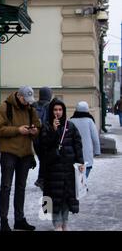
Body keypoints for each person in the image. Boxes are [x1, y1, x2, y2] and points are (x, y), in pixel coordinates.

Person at [0, 86, 41, 231]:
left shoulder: (30, 109)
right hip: (9, 153)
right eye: (25, 100)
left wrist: (34, 131)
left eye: (29, 101)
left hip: (25, 154)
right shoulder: (4, 107)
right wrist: (18, 130)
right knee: (6, 187)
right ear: (19, 97)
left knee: (21, 188)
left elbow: (38, 127)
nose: (27, 103)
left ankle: (19, 219)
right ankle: (4, 221)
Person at [40, 98, 85, 231]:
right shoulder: (46, 126)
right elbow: (44, 146)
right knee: (54, 199)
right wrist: (53, 131)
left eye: (60, 110)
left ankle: (65, 224)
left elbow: (78, 145)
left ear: (64, 111)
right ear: (51, 111)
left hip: (68, 170)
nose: (58, 112)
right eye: (55, 109)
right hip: (52, 170)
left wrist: (80, 162)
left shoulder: (70, 126)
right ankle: (57, 225)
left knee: (66, 198)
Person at [70, 101, 100, 178]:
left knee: (75, 174)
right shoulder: (89, 121)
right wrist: (97, 151)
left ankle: (78, 187)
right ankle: (82, 186)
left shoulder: (71, 121)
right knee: (85, 173)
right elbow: (95, 137)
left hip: (73, 153)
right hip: (87, 153)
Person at [32, 87, 53, 190]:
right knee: (45, 159)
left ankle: (42, 179)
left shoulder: (34, 106)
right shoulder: (50, 106)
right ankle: (41, 180)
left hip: (35, 137)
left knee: (42, 159)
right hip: (45, 136)